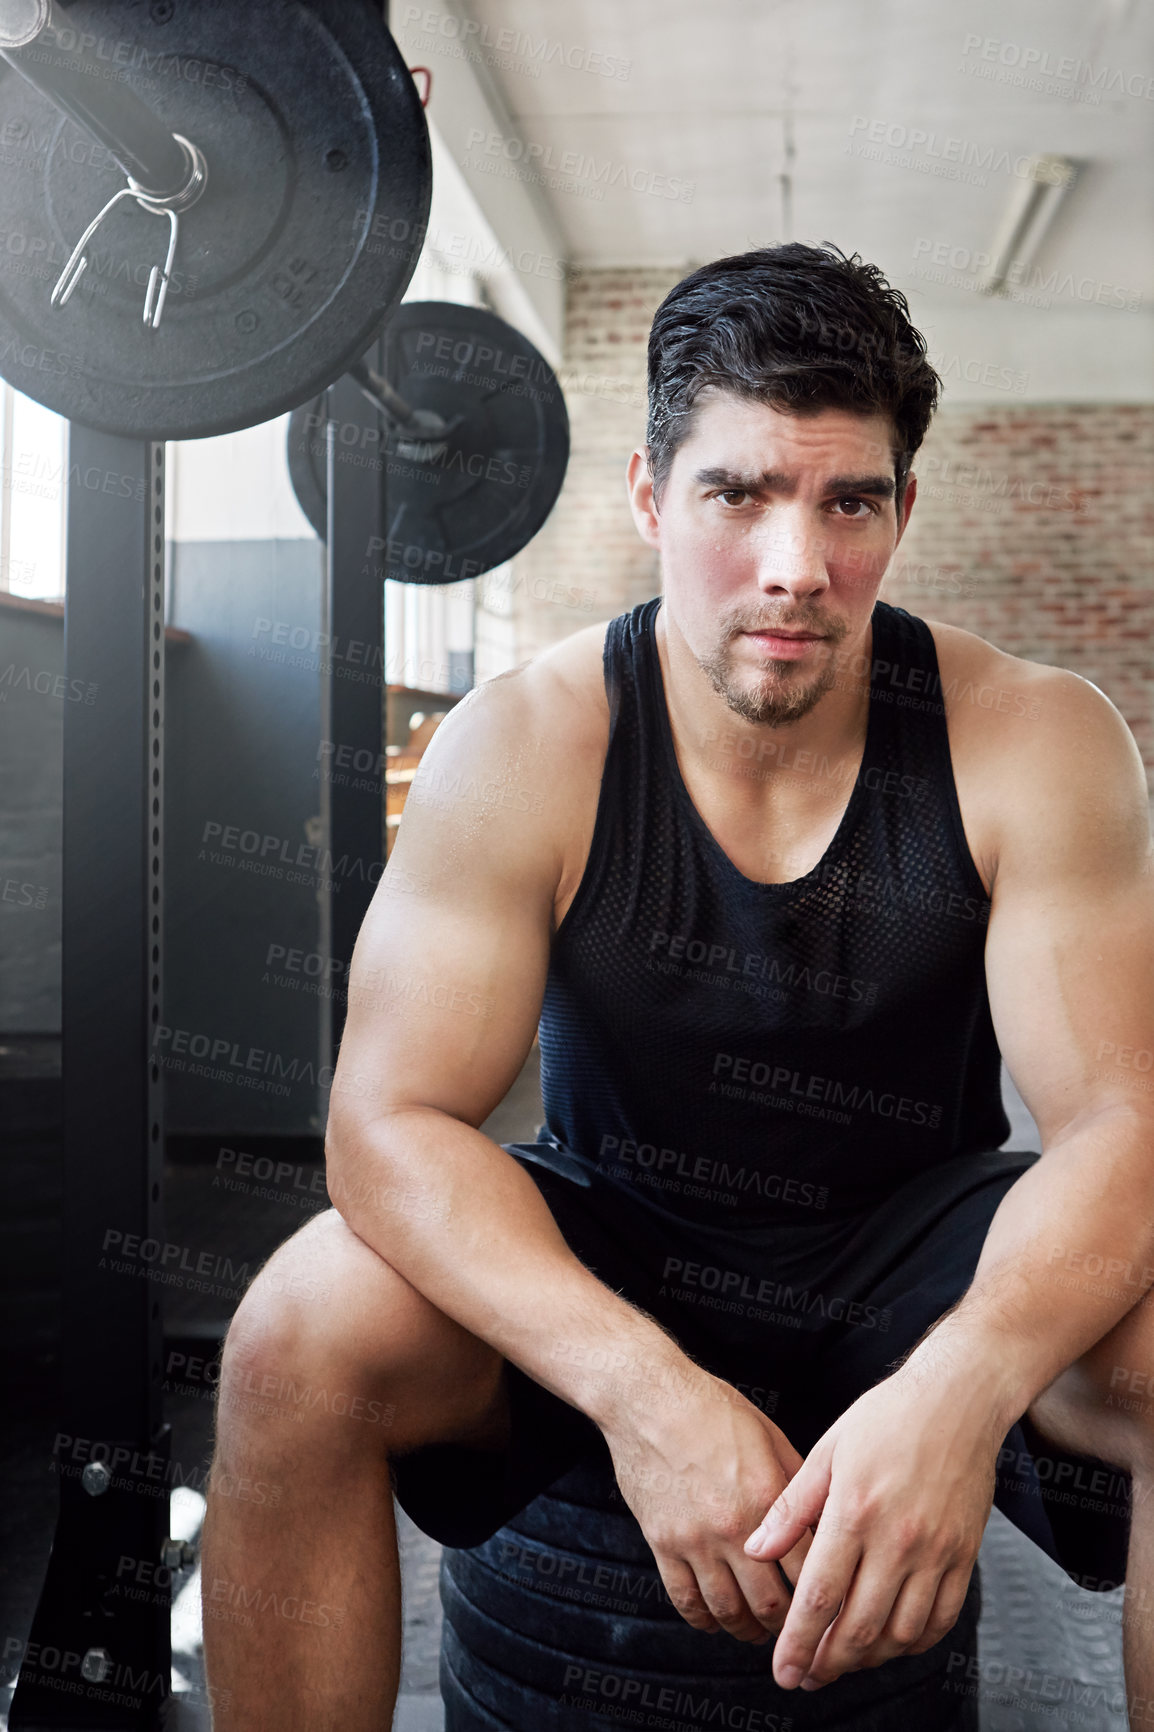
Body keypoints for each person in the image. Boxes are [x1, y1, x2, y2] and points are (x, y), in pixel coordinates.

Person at [202, 243, 1154, 1726]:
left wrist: (958, 1388)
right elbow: (385, 1123)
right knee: (295, 1335)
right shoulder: (525, 743)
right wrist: (642, 1393)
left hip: (913, 1258)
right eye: (737, 495)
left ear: (900, 511)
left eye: (847, 502)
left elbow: (1124, 1127)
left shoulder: (1034, 736)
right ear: (651, 498)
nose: (796, 564)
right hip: (611, 1234)